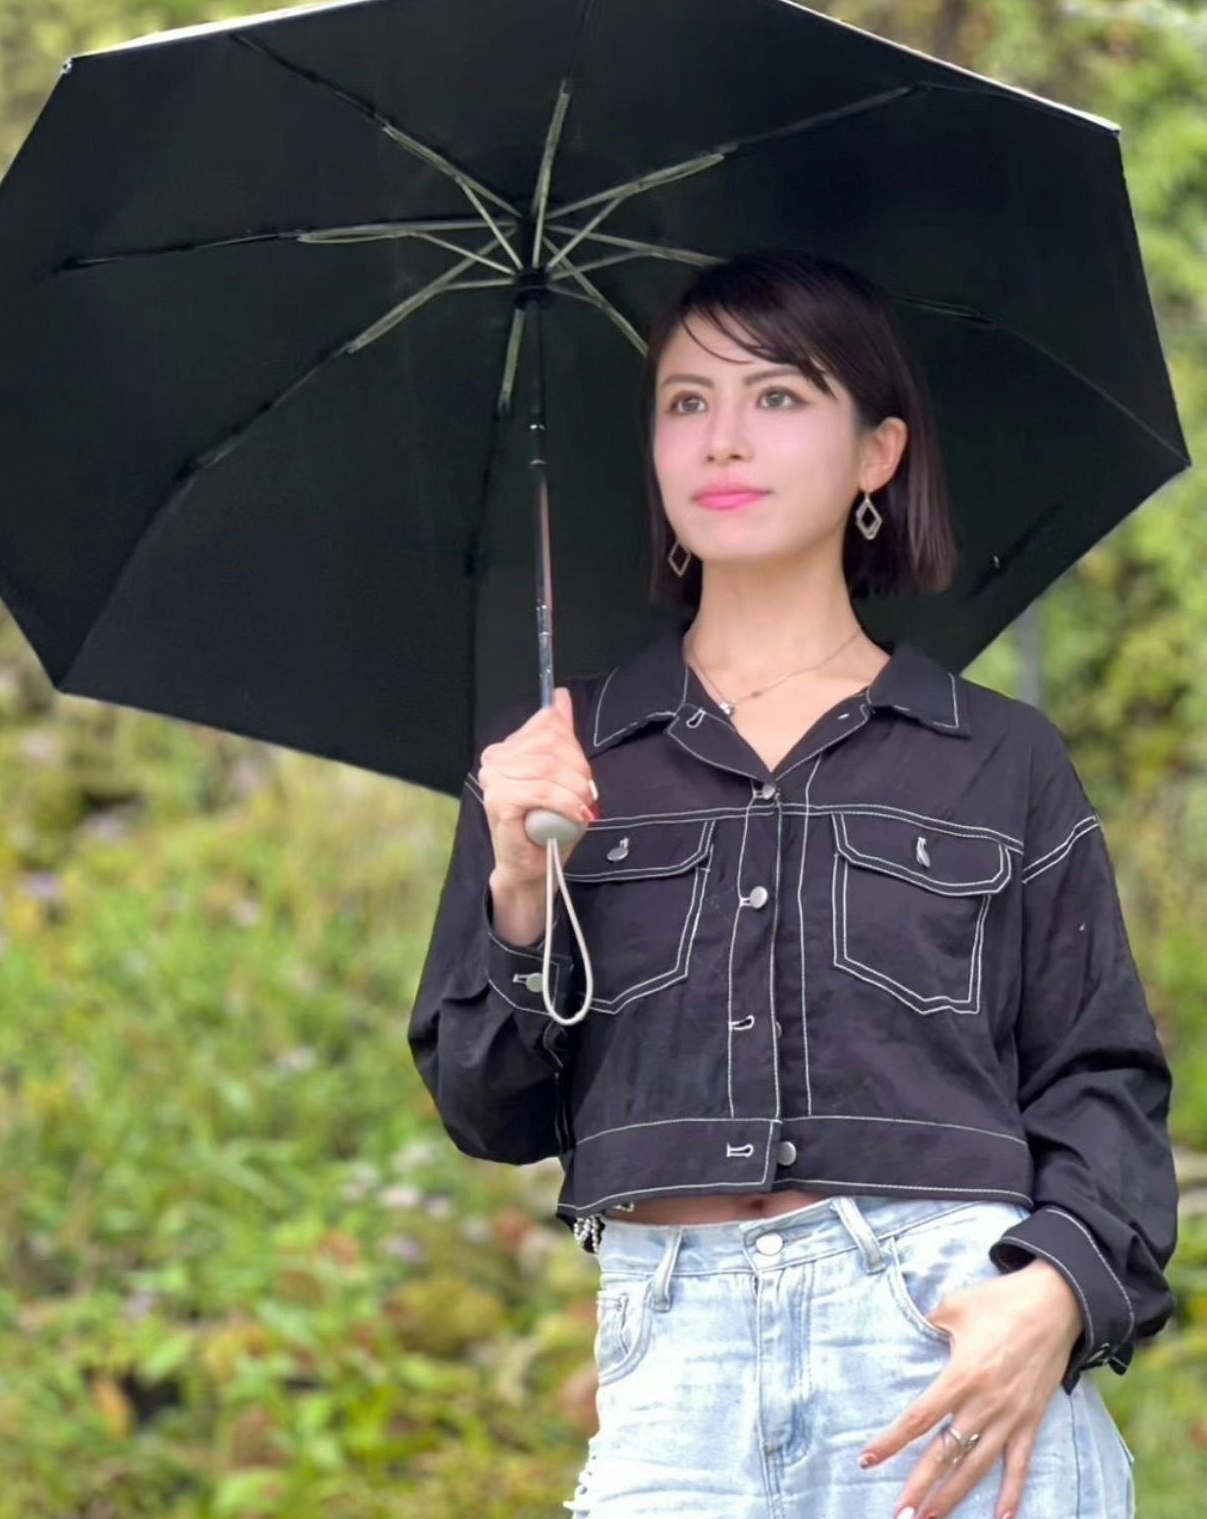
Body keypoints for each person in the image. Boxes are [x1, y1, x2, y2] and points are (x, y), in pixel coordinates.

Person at [406, 248, 1177, 1519]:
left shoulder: (998, 759)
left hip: (945, 1349)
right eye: (686, 401)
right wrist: (520, 887)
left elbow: (1103, 1080)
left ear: (877, 451)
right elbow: (491, 1111)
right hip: (676, 1366)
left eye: (777, 395)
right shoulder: (557, 760)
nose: (723, 437)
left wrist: (1055, 1291)